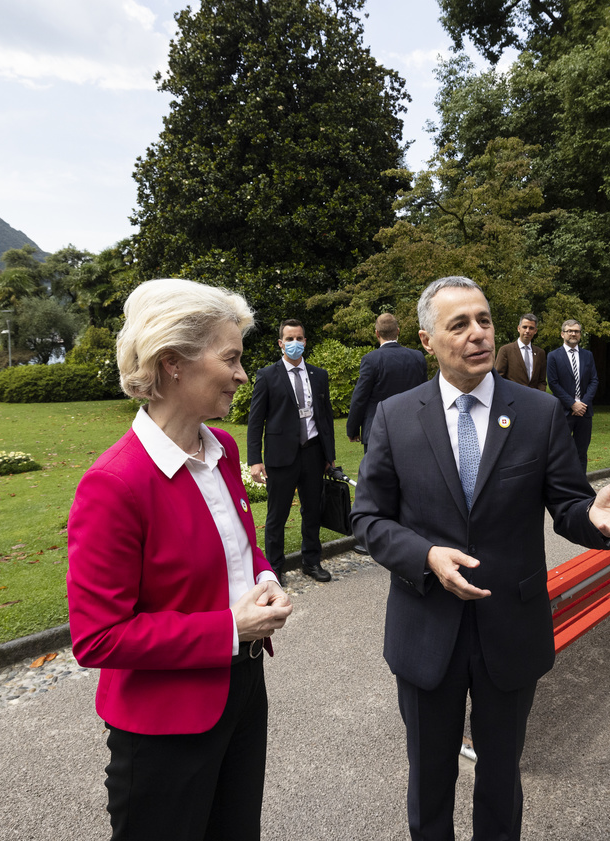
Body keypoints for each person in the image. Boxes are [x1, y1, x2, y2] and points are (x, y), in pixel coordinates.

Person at [352, 276, 610, 841]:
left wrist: (594, 517)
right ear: (426, 340)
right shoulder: (393, 416)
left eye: (484, 320)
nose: (477, 334)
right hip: (425, 629)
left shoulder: (537, 413)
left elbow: (566, 504)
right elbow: (368, 519)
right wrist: (426, 554)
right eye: (458, 324)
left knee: (501, 778)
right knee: (429, 777)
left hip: (509, 630)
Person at [66, 277, 292, 841]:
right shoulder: (114, 484)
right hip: (165, 728)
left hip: (242, 693)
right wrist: (228, 628)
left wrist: (264, 576)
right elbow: (98, 640)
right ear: (172, 362)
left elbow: (241, 543)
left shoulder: (222, 449)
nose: (243, 374)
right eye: (231, 358)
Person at [247, 319, 336, 582]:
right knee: (277, 515)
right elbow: (255, 421)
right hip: (280, 457)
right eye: (289, 339)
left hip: (312, 454)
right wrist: (255, 460)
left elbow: (326, 418)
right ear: (280, 343)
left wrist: (329, 457)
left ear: (305, 342)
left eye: (299, 338)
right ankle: (274, 568)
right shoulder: (267, 376)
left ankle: (311, 562)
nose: (294, 343)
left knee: (312, 511)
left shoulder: (319, 376)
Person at [347, 312, 428, 452]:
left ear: (377, 333)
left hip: (378, 430)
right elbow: (425, 394)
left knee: (378, 473)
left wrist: (353, 429)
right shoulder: (417, 357)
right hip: (412, 429)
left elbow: (360, 397)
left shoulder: (371, 360)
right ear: (397, 331)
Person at [545, 320, 599, 471]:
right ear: (562, 334)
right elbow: (554, 383)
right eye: (569, 331)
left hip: (584, 412)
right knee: (562, 451)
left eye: (576, 331)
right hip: (564, 411)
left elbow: (594, 380)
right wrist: (572, 403)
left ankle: (581, 488)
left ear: (580, 334)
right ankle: (563, 486)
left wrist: (583, 404)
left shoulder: (588, 355)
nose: (573, 333)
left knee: (581, 452)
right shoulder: (553, 356)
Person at [492, 312, 545, 389]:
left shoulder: (540, 353)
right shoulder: (505, 350)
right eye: (524, 327)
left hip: (534, 399)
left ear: (535, 331)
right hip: (513, 398)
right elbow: (498, 378)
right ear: (518, 328)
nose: (527, 331)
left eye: (531, 328)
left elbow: (542, 381)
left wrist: (540, 396)